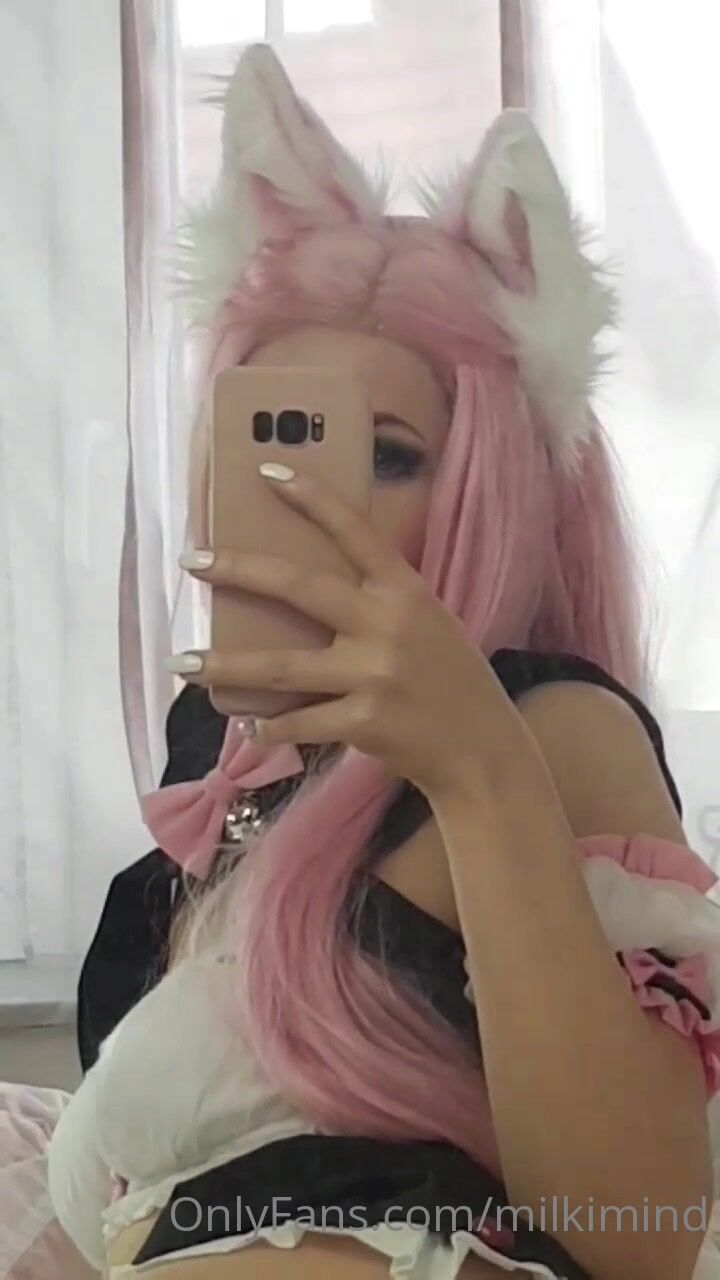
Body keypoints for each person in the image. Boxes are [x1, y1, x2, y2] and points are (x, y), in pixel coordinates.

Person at [46, 43, 720, 1280]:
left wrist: (476, 765)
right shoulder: (216, 743)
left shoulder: (552, 727)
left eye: (391, 452)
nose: (311, 490)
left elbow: (644, 1237)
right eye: (268, 437)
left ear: (493, 493)